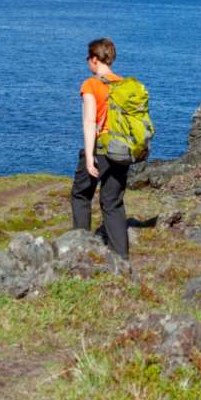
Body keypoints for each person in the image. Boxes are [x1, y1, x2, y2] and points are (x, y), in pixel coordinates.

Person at [70, 38, 130, 258]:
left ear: (94, 60)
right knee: (112, 202)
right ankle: (122, 258)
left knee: (80, 194)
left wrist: (88, 157)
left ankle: (80, 248)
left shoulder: (91, 84)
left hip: (100, 149)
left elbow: (89, 122)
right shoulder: (124, 84)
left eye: (89, 58)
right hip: (122, 150)